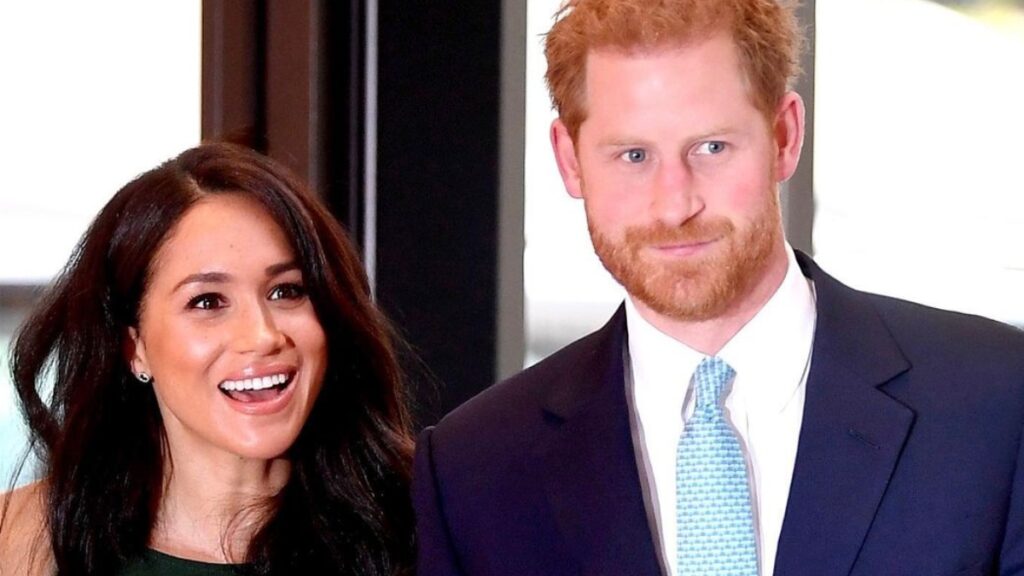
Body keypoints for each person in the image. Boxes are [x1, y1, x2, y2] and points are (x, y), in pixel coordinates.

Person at [412, 1, 1024, 575]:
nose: (675, 203)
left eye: (712, 147)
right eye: (632, 155)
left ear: (784, 136)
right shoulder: (474, 470)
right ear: (570, 161)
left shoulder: (997, 402)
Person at [0, 143, 415, 575]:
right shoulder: (23, 540)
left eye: (287, 291)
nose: (263, 336)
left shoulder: (424, 524)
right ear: (134, 346)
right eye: (208, 302)